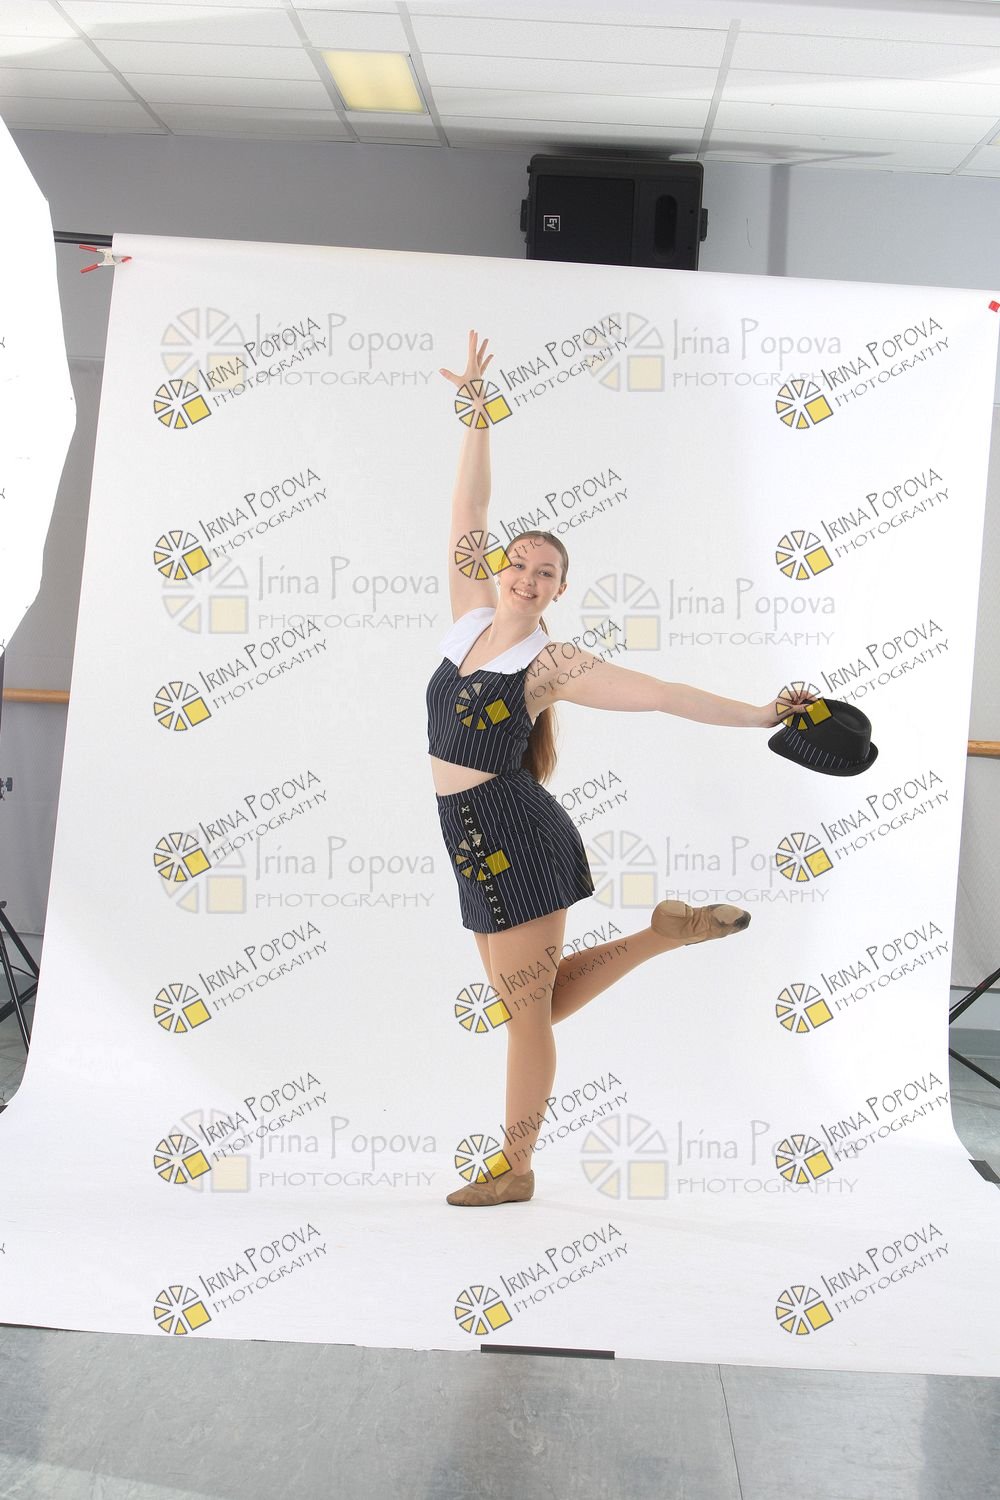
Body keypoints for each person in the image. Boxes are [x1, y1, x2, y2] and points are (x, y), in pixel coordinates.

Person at [429, 330, 814, 1208]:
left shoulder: (551, 664)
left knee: (524, 1014)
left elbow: (664, 695)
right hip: (469, 835)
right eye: (519, 564)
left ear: (560, 591)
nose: (527, 577)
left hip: (518, 836)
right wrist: (478, 411)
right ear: (500, 569)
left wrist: (761, 714)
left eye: (546, 573)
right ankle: (664, 935)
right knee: (528, 1002)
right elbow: (467, 506)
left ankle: (515, 1168)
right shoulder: (466, 621)